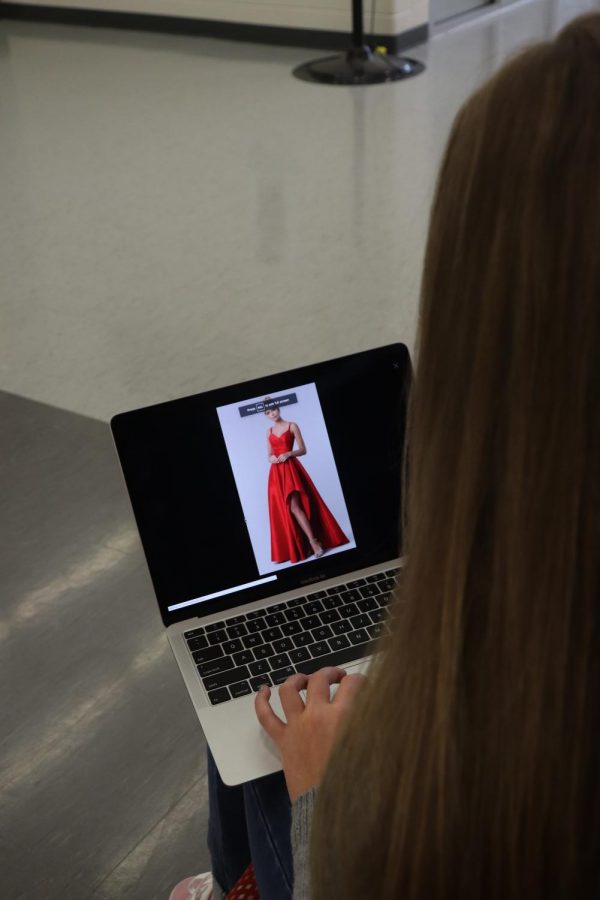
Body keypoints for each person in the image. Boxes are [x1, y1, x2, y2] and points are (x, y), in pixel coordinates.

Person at [171, 11, 600, 900]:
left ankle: (250, 878)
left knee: (264, 701)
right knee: (256, 666)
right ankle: (239, 876)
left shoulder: (476, 786)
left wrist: (332, 792)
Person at [264, 400, 349, 564]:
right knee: (286, 510)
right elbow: (268, 455)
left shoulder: (291, 426)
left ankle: (314, 542)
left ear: (278, 409)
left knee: (295, 507)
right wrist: (272, 458)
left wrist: (289, 453)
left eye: (274, 409)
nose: (272, 414)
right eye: (268, 412)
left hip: (291, 469)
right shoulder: (268, 431)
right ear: (265, 416)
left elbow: (303, 450)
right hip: (276, 474)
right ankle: (301, 547)